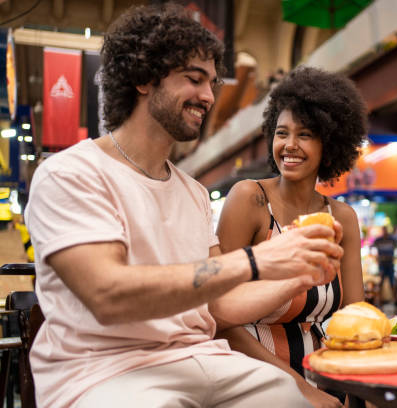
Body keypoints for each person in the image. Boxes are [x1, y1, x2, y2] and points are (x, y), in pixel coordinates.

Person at [24, 5, 344, 408]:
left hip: (201, 359)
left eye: (212, 82)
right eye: (194, 79)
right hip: (102, 370)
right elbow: (107, 294)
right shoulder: (70, 173)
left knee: (292, 400)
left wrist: (301, 273)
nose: (209, 96)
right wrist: (257, 259)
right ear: (143, 79)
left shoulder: (192, 191)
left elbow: (218, 307)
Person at [214, 66, 366, 408]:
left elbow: (355, 315)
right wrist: (302, 390)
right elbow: (220, 320)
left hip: (327, 373)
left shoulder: (342, 218)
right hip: (253, 376)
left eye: (306, 134)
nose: (290, 145)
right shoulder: (249, 199)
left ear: (330, 144)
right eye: (282, 133)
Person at [372, 226, 397, 306]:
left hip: (390, 264)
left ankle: (395, 300)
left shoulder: (392, 239)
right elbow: (373, 249)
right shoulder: (378, 240)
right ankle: (380, 301)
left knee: (392, 282)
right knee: (381, 282)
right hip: (382, 264)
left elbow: (396, 249)